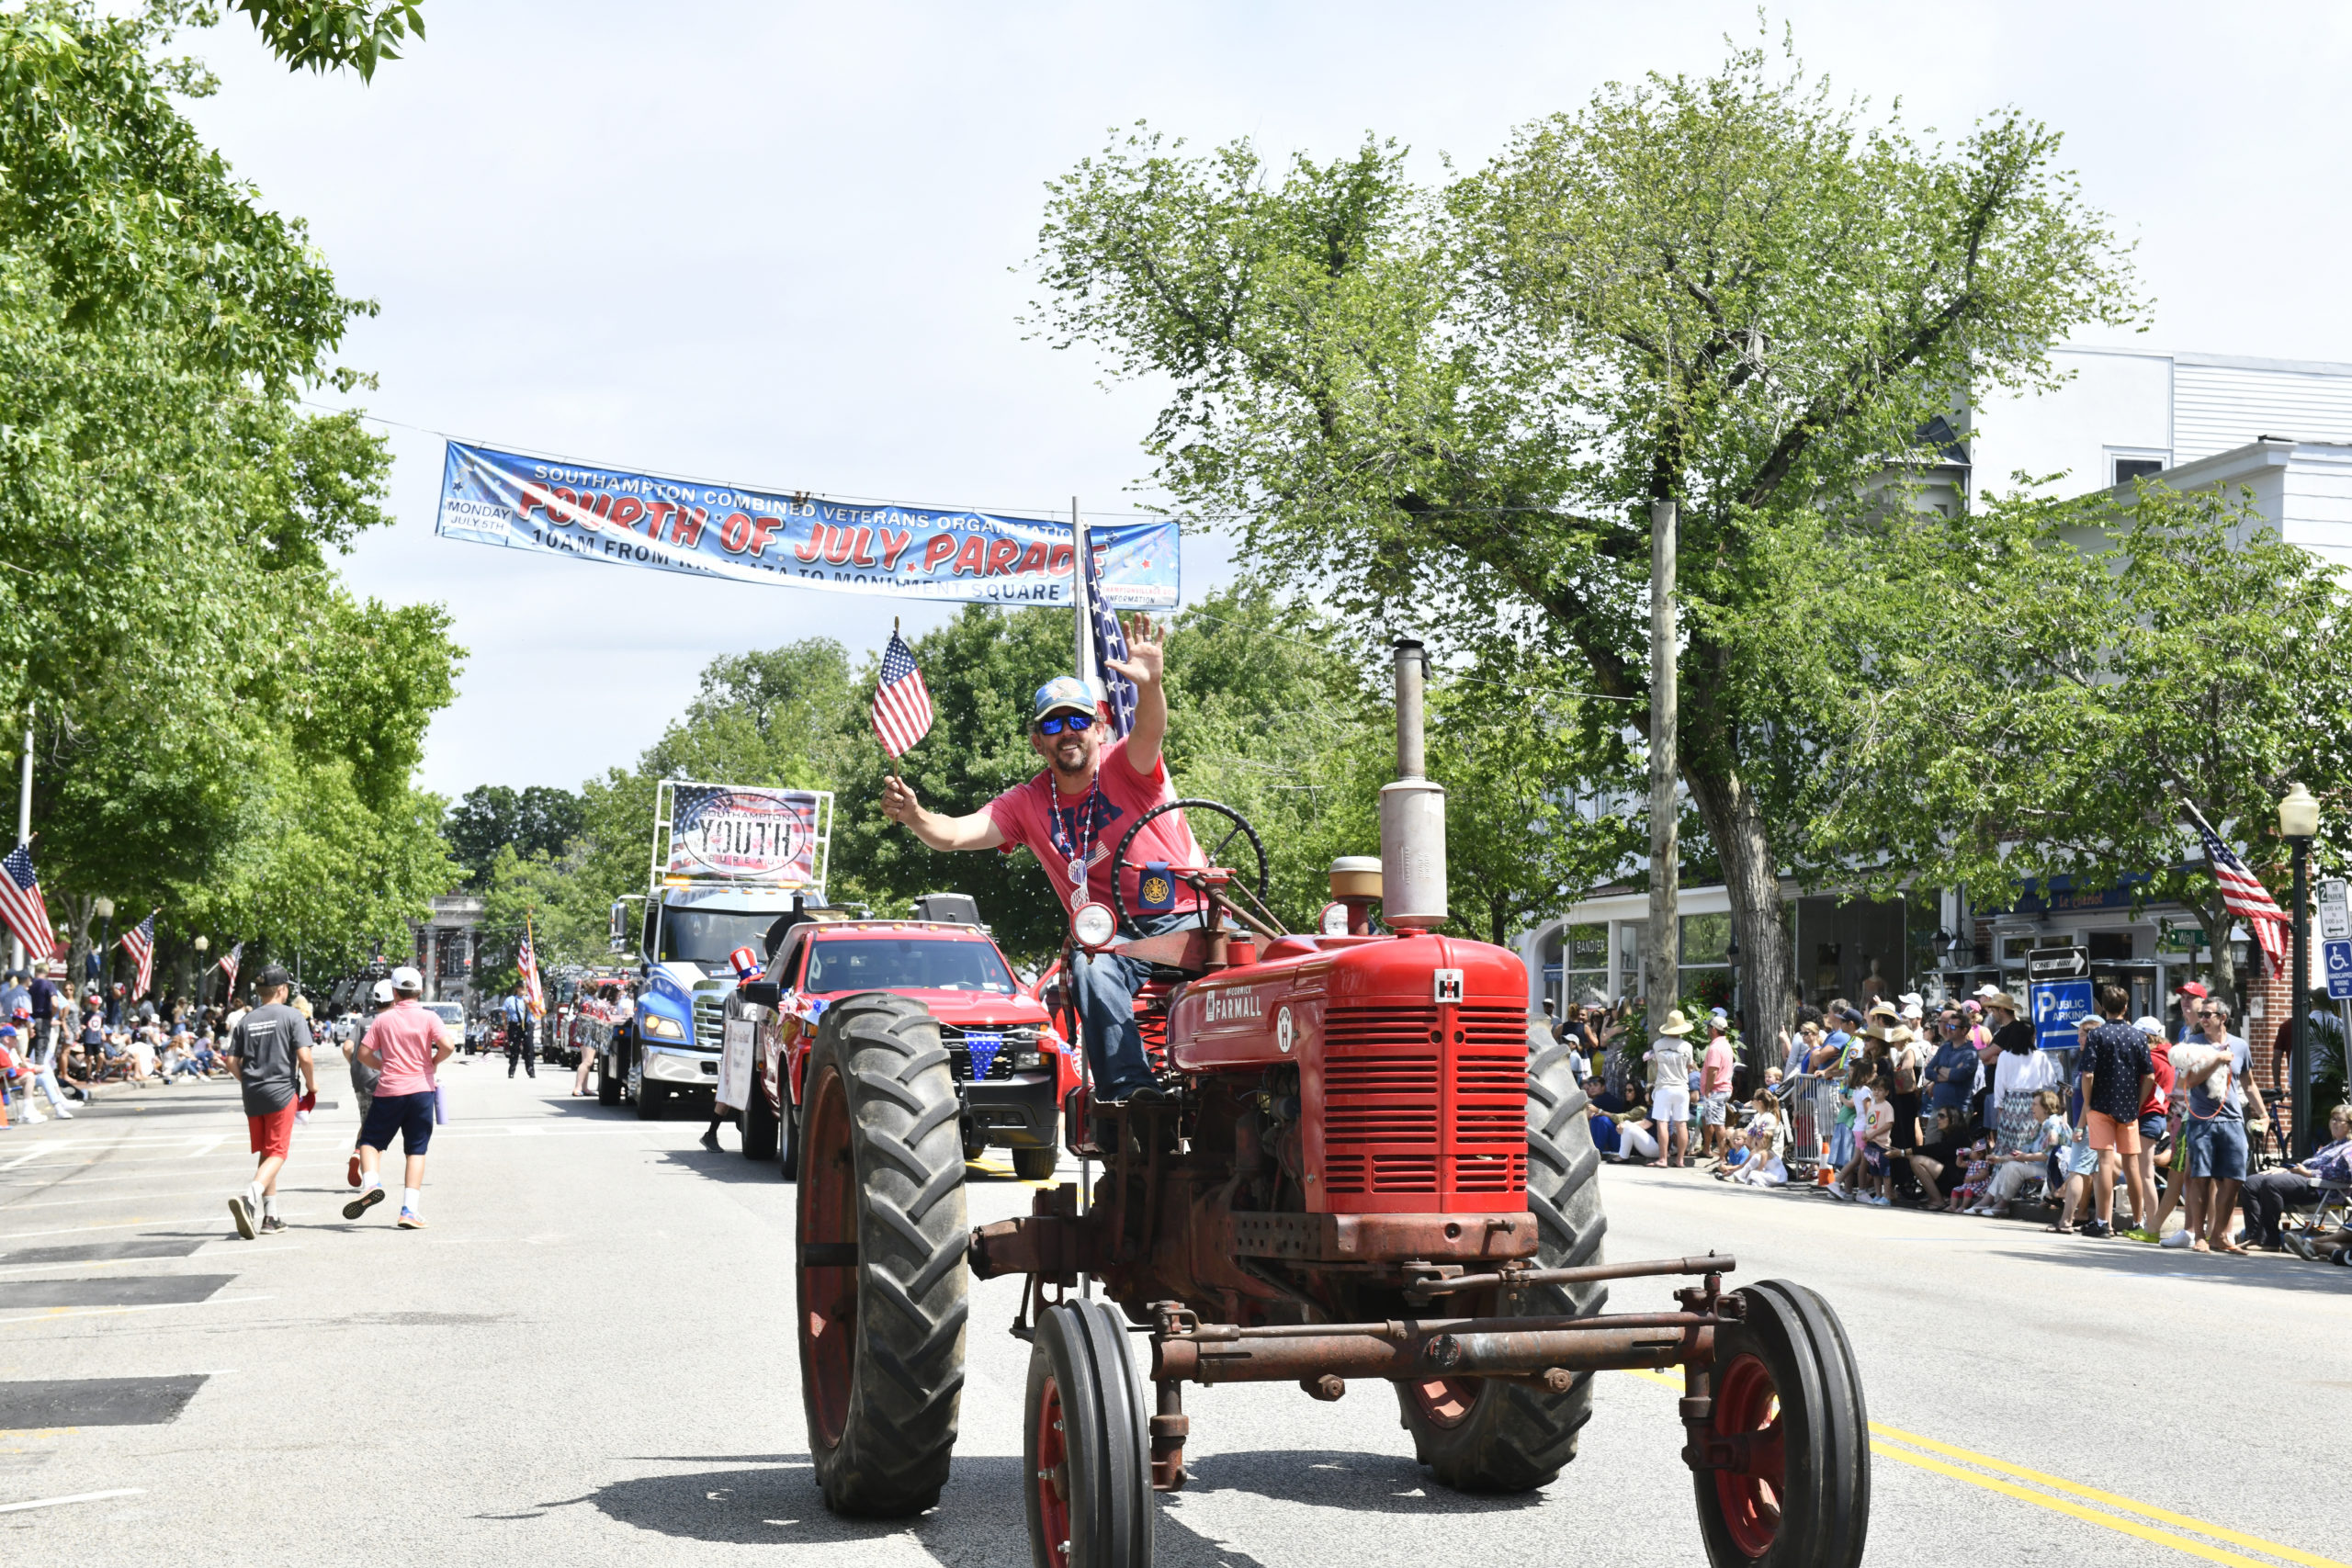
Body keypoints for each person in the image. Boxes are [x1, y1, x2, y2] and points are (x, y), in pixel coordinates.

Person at [881, 626, 1197, 1105]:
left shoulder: (1126, 766)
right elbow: (952, 834)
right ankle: (1134, 1096)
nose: (1066, 732)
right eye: (1053, 724)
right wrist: (914, 814)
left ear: (1098, 727)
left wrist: (1150, 685)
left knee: (1247, 964)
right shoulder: (1026, 803)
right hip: (1117, 938)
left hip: (1186, 918)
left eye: (1077, 719)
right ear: (1037, 742)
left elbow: (1151, 730)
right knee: (1091, 968)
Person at [347, 966, 452, 1229]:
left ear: (394, 992)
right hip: (421, 1090)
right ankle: (409, 1210)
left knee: (371, 1141)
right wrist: (433, 1062)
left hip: (390, 1090)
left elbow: (362, 1053)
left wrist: (384, 1065)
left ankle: (372, 1184)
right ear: (419, 991)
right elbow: (448, 1045)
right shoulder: (430, 1017)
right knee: (416, 1150)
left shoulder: (383, 1020)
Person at [222, 965, 317, 1239]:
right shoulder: (292, 1016)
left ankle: (271, 1217)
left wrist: (248, 1081)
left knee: (267, 1152)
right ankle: (249, 1196)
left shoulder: (246, 1020)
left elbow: (231, 1062)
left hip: (253, 1093)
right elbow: (305, 1057)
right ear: (282, 990)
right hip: (281, 1091)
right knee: (278, 1152)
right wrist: (312, 1086)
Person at [2172, 997, 2267, 1255]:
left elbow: (2248, 1083)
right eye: (2201, 1014)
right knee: (2200, 1178)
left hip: (2233, 1119)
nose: (2202, 1019)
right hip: (2203, 1120)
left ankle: (2219, 1236)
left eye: (2207, 1015)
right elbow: (2189, 1081)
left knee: (2235, 1179)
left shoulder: (2240, 1045)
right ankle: (2200, 1236)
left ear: (2222, 1018)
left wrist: (2263, 1114)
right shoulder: (2193, 1044)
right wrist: (2216, 1060)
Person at [2074, 984, 2155, 1240]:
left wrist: (2088, 1101)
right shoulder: (2138, 1036)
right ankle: (2136, 1220)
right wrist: (2139, 1103)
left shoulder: (2097, 1035)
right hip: (2128, 1106)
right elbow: (2150, 1076)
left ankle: (2103, 1222)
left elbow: (2088, 1073)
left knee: (2105, 1163)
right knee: (2132, 1166)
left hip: (2100, 1105)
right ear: (2126, 1007)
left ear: (2104, 1008)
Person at [2239, 1103, 2351, 1251]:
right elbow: (2306, 1166)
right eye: (2333, 1119)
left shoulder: (2349, 1147)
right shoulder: (2332, 1145)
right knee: (2251, 1182)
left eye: (2339, 1120)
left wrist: (2309, 1174)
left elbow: (2347, 1176)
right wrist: (2285, 1169)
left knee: (2271, 1183)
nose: (2334, 1123)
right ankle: (2254, 1236)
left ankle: (2270, 1241)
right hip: (2305, 1181)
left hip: (2324, 1191)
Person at [342, 979, 391, 1189]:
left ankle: (357, 1152)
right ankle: (368, 1175)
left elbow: (347, 1047)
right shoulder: (391, 1020)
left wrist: (357, 1063)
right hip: (382, 1078)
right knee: (376, 1128)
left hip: (360, 1078)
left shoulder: (362, 1022)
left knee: (367, 1119)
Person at [1641, 1009, 1698, 1168]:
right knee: (1681, 1124)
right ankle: (1680, 1160)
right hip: (1681, 1088)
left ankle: (1663, 1159)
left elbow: (1658, 1065)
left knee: (1662, 1123)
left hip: (1664, 1087)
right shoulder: (1688, 1046)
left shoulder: (1658, 1045)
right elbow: (1689, 1068)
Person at [1698, 1015, 1736, 1160]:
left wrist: (1708, 1089)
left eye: (1708, 1027)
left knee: (1718, 1124)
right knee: (1707, 1119)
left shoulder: (1715, 1047)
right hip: (1721, 1089)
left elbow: (1713, 1070)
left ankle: (1723, 1157)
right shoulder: (1725, 1044)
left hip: (1716, 1090)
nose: (1707, 1030)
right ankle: (1707, 1149)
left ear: (1713, 1029)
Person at [502, 988, 536, 1078]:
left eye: (524, 988)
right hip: (514, 1025)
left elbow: (535, 1011)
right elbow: (504, 1012)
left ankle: (530, 1070)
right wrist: (505, 1025)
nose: (522, 990)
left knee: (529, 1048)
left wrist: (528, 1004)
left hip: (527, 1025)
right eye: (521, 988)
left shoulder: (530, 999)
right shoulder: (510, 1000)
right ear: (517, 989)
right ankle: (512, 1070)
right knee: (514, 1048)